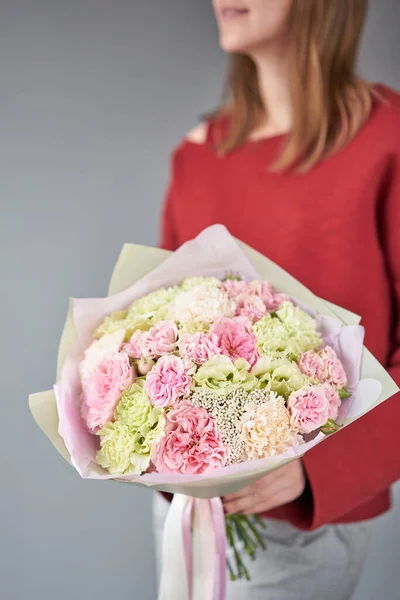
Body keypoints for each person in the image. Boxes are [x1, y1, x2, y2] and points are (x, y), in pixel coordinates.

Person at [153, 1, 400, 598]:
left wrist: (316, 467)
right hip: (184, 511)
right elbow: (157, 330)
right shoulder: (198, 155)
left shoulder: (386, 141)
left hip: (302, 523)